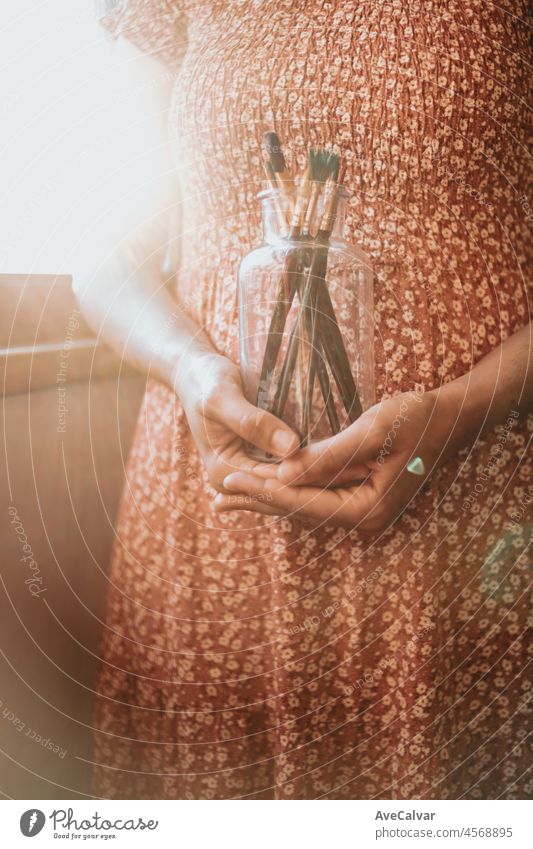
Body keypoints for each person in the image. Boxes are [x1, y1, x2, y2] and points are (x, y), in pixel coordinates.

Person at [76, 0, 532, 799]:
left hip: (472, 519)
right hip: (219, 520)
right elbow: (107, 262)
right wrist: (188, 367)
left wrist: (452, 417)